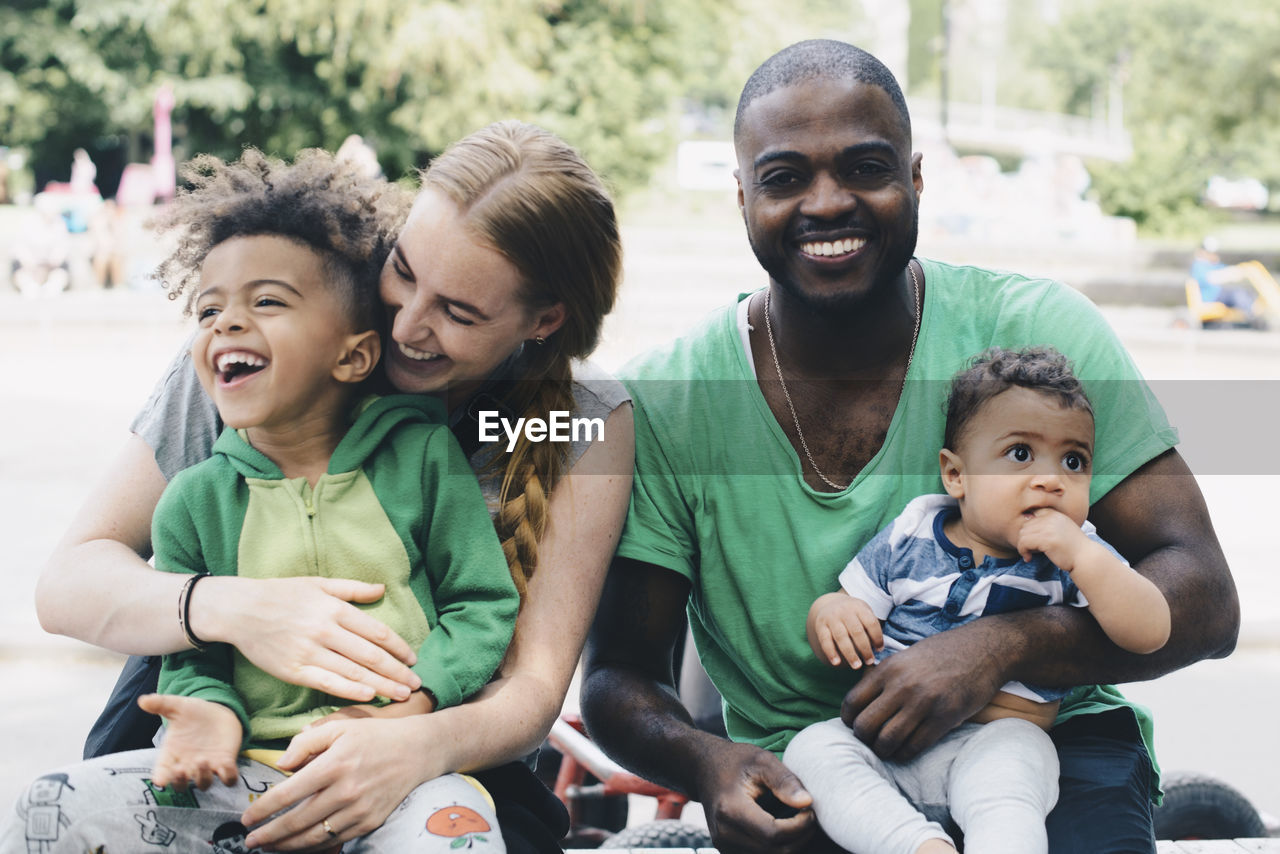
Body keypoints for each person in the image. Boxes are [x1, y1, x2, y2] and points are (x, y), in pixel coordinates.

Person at [581, 39, 1237, 854]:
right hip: (815, 772)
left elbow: (1205, 599)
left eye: (865, 167)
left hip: (1050, 745)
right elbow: (620, 676)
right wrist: (713, 766)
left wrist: (1003, 645)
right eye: (785, 178)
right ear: (743, 196)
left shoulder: (1038, 333)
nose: (827, 204)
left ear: (916, 178)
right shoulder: (667, 398)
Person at [32, 120, 634, 853]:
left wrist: (406, 744)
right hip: (221, 717)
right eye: (406, 272)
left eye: (459, 312)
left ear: (543, 320)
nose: (409, 325)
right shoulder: (270, 348)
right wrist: (240, 609)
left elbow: (532, 691)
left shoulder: (579, 422)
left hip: (442, 749)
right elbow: (67, 583)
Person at [784, 347, 1171, 854]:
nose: (1050, 479)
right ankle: (916, 845)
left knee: (1010, 789)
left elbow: (1150, 631)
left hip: (998, 740)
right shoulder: (912, 534)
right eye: (1020, 454)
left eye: (1073, 461)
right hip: (891, 744)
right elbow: (844, 608)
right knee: (811, 749)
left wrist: (1084, 557)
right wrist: (830, 614)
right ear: (956, 475)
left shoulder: (1076, 556)